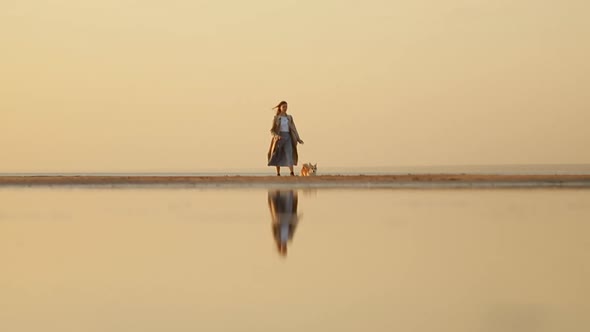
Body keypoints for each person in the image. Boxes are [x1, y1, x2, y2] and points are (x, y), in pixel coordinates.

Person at [267, 101, 304, 176]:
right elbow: (272, 130)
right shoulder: (276, 118)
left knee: (289, 153)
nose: (285, 108)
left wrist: (298, 138)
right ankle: (278, 173)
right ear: (280, 108)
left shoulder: (289, 117)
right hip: (279, 139)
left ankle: (292, 172)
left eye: (286, 107)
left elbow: (294, 128)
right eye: (283, 107)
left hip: (288, 137)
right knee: (277, 154)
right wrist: (276, 136)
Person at [268, 189, 301, 257]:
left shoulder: (277, 237)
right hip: (287, 217)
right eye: (285, 249)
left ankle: (278, 193)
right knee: (288, 204)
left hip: (280, 217)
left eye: (284, 249)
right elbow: (292, 228)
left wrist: (274, 217)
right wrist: (296, 219)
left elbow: (274, 226)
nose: (284, 247)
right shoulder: (289, 238)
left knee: (282, 203)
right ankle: (287, 191)